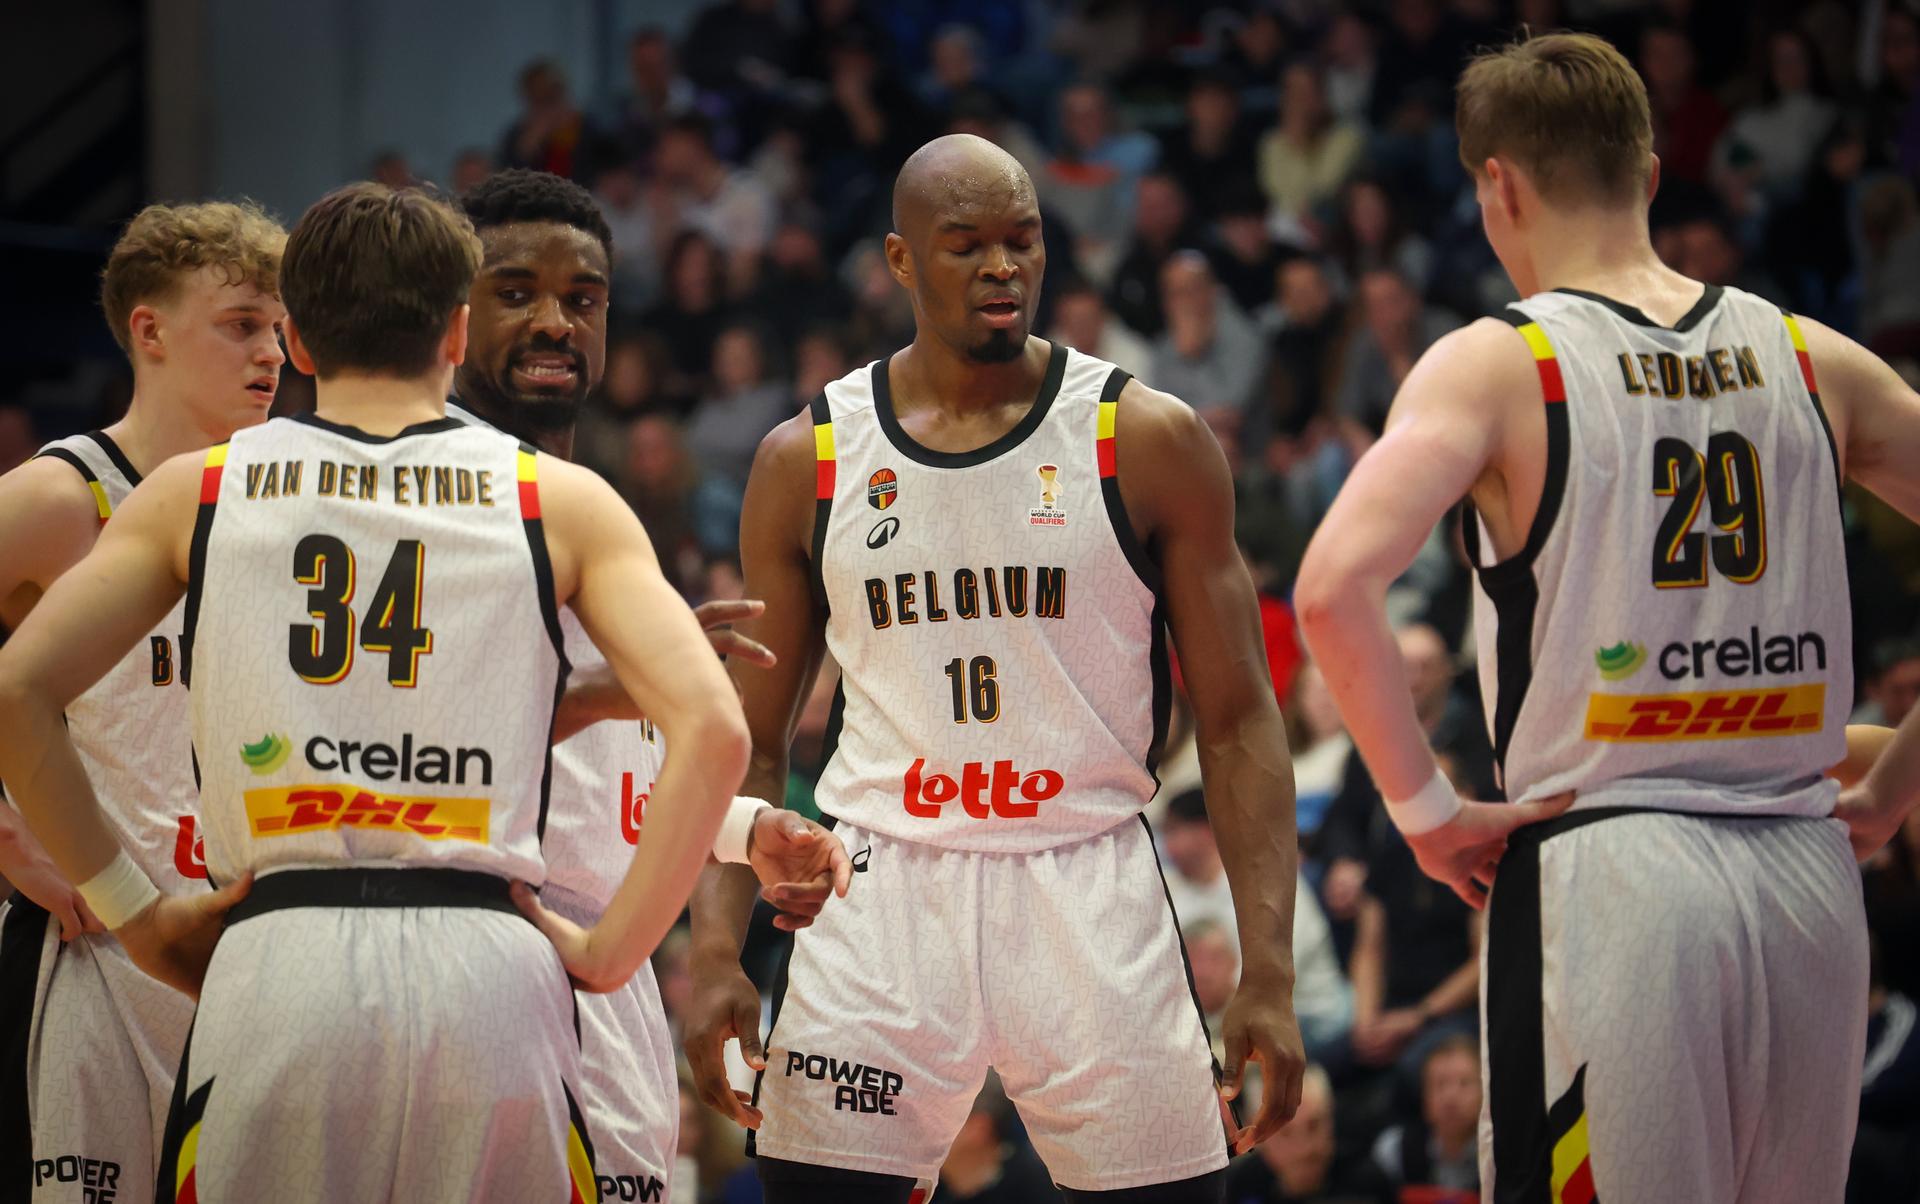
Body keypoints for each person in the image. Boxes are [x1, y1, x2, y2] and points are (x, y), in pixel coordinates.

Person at [0, 183, 749, 1201]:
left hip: (278, 968)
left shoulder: (200, 488)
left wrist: (132, 912)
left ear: (298, 342)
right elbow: (712, 728)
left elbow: (16, 694)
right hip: (490, 970)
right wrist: (612, 953)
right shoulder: (556, 495)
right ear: (455, 329)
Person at [1297, 32, 1920, 1202]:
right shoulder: (1806, 353)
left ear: (1499, 186)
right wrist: (1896, 784)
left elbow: (1330, 589)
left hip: (1615, 876)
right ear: (1646, 170)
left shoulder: (1503, 363)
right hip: (1809, 882)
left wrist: (1428, 812)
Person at [686, 133, 1306, 1203]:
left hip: (1087, 875)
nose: (1001, 267)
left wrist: (1270, 970)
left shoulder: (1143, 437)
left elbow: (1243, 719)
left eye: (1021, 241)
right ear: (899, 260)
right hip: (878, 885)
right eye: (965, 244)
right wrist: (711, 953)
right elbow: (745, 733)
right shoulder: (812, 457)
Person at [451, 167, 854, 1204]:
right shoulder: (425, 514)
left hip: (611, 989)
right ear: (450, 315)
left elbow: (613, 787)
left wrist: (744, 829)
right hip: (469, 965)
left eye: (581, 300)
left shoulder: (607, 528)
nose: (554, 322)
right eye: (515, 291)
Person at [0, 200, 286, 1204]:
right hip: (98, 952)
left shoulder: (276, 510)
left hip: (236, 954)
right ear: (150, 330)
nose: (273, 353)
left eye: (282, 329)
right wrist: (6, 837)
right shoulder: (57, 497)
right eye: (243, 323)